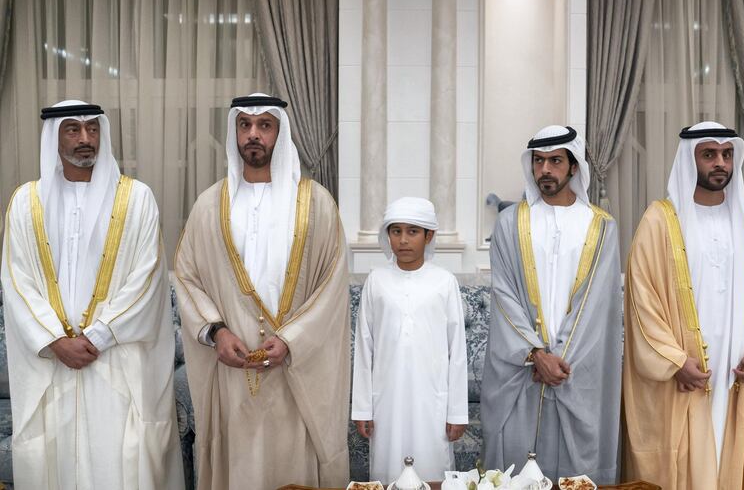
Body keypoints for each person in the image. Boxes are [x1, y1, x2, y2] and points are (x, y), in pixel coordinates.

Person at [1, 100, 183, 489]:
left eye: (92, 129)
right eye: (73, 130)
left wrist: (97, 335)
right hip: (52, 361)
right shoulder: (24, 203)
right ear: (54, 138)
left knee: (118, 463)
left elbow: (147, 278)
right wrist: (56, 340)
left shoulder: (136, 199)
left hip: (117, 358)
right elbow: (17, 282)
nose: (85, 139)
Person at [174, 93, 350, 489]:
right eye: (245, 125)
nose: (253, 135)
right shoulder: (208, 206)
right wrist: (216, 331)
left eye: (264, 126)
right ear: (235, 132)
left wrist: (290, 339)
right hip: (231, 369)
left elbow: (332, 286)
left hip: (294, 371)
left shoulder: (317, 204)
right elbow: (186, 277)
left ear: (280, 133)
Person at [623, 121, 744, 489]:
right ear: (689, 159)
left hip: (735, 373)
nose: (720, 163)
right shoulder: (659, 221)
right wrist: (675, 362)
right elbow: (641, 300)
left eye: (727, 155)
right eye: (709, 154)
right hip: (680, 375)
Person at [481, 125, 622, 483]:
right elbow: (504, 295)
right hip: (522, 369)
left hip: (576, 369)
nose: (545, 170)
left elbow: (597, 305)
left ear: (573, 167)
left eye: (555, 161)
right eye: (538, 161)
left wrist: (559, 358)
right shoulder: (509, 223)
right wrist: (536, 354)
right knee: (517, 469)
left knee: (576, 474)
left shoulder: (601, 226)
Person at [351, 197, 468, 484]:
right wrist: (363, 408)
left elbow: (458, 352)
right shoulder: (376, 281)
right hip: (386, 402)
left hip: (433, 402)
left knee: (432, 472)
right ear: (387, 235)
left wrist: (457, 412)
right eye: (396, 231)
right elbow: (364, 349)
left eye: (413, 231)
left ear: (429, 236)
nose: (403, 240)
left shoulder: (444, 281)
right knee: (387, 472)